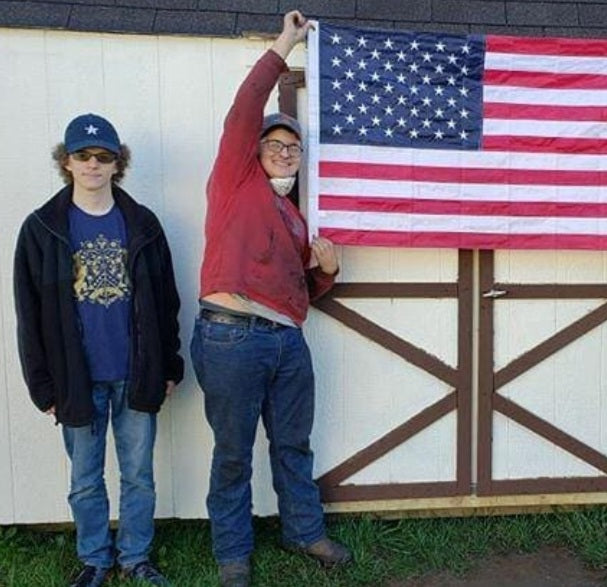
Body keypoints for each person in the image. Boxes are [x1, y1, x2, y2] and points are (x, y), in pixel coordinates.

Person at [190, 10, 347, 587]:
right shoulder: (235, 180)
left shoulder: (295, 218)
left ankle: (304, 530)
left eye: (294, 147)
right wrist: (286, 42)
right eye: (275, 143)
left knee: (293, 445)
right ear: (254, 150)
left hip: (287, 341)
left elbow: (300, 293)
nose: (285, 151)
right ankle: (233, 555)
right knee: (233, 454)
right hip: (230, 336)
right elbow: (245, 107)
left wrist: (327, 273)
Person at [14, 113, 183, 587]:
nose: (93, 164)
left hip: (135, 372)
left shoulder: (143, 224)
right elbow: (29, 314)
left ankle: (136, 558)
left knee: (139, 476)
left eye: (104, 156)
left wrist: (169, 364)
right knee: (85, 479)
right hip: (75, 378)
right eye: (83, 155)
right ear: (66, 161)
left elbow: (166, 300)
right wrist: (42, 384)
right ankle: (94, 559)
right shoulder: (42, 229)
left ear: (117, 163)